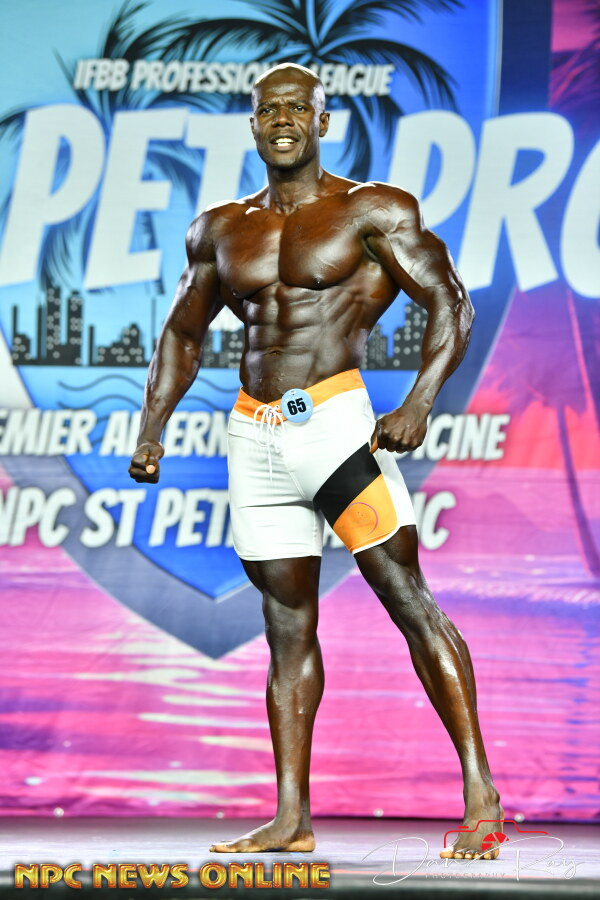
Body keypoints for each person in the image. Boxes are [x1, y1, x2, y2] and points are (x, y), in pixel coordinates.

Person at [129, 63, 503, 859]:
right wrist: (152, 428)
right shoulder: (221, 228)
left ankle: (481, 794)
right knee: (285, 625)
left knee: (406, 596)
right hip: (254, 436)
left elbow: (451, 300)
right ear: (254, 125)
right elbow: (184, 332)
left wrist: (419, 402)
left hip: (335, 427)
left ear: (322, 121)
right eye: (269, 111)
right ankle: (292, 818)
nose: (283, 121)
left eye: (298, 108)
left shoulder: (371, 209)